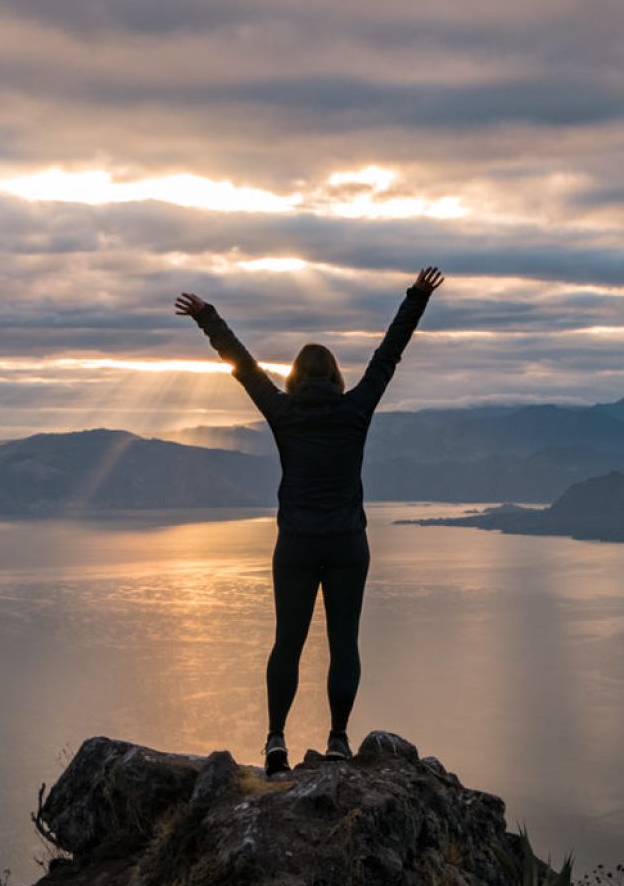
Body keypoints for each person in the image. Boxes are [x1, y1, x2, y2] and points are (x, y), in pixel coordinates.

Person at [175, 266, 444, 774]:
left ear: (296, 378)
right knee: (345, 642)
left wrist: (207, 318)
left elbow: (245, 366)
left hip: (296, 547)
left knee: (288, 644)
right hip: (347, 546)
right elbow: (389, 355)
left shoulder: (284, 412)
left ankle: (275, 741)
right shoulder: (356, 409)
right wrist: (417, 297)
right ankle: (339, 740)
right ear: (336, 378)